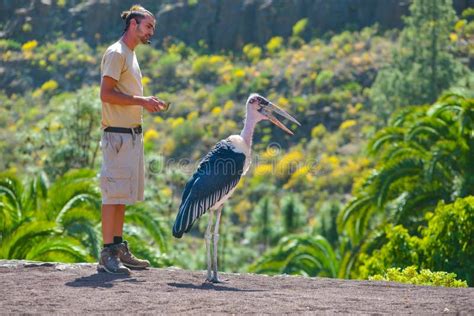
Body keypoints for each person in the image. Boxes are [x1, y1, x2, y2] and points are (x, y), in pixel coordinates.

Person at [98, 4, 166, 275]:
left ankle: (117, 248)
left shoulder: (130, 54)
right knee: (112, 194)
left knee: (121, 194)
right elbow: (106, 93)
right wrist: (142, 101)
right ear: (133, 24)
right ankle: (107, 254)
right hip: (117, 136)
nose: (151, 32)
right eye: (148, 26)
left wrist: (144, 104)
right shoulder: (116, 53)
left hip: (130, 136)